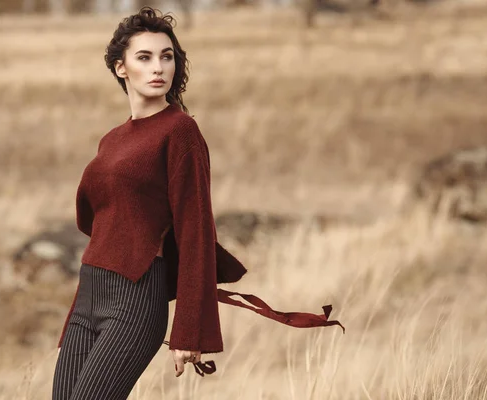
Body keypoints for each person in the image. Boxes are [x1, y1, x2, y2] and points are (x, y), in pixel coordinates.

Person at [52, 7, 344, 400]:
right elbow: (93, 217)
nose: (159, 67)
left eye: (167, 56)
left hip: (133, 304)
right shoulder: (112, 139)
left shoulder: (180, 132)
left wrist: (188, 330)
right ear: (121, 69)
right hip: (89, 294)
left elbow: (195, 233)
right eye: (145, 57)